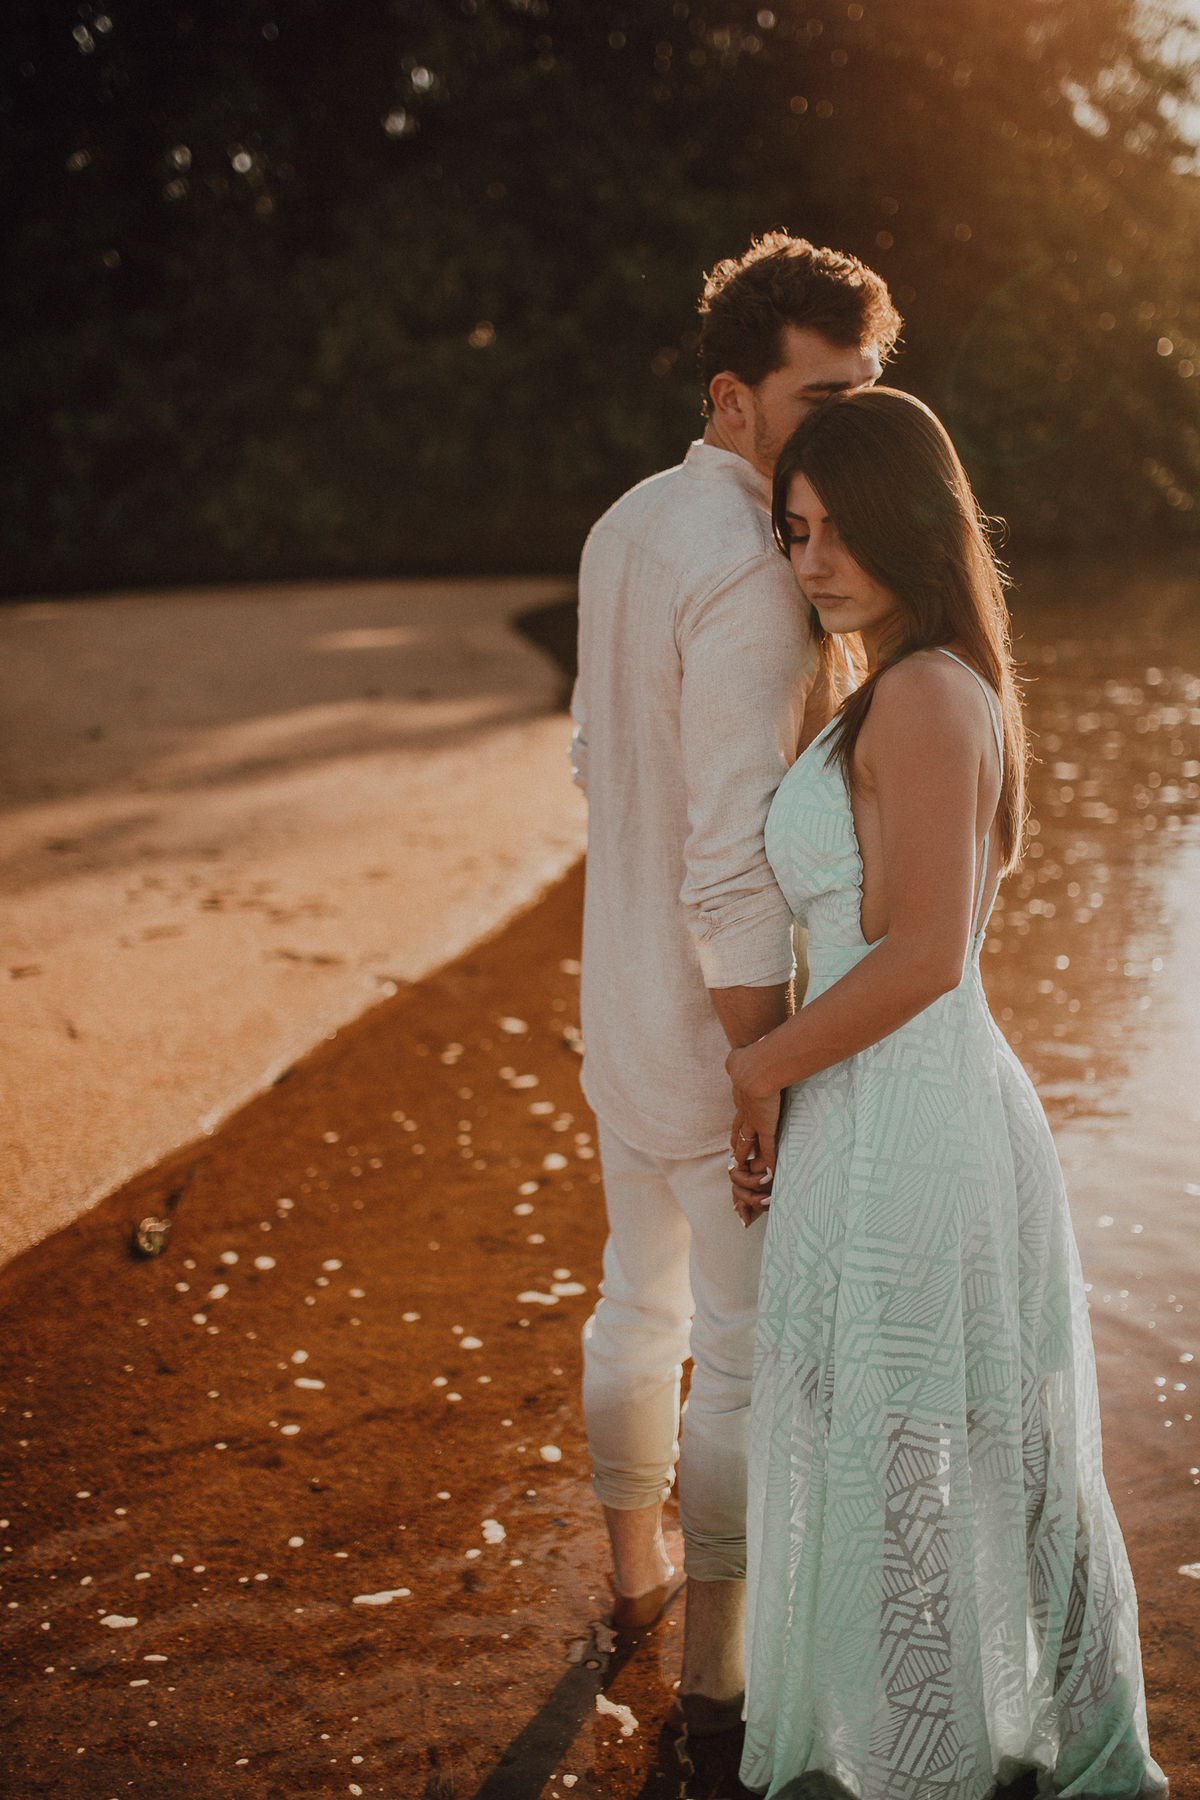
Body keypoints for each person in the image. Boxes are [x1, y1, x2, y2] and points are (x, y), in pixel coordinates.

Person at [727, 387, 1166, 1798]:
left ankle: (945, 1759)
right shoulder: (914, 681)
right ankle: (962, 1740)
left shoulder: (923, 692)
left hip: (912, 1121)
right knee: (931, 1452)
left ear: (915, 520)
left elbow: (921, 955)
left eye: (841, 528)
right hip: (882, 1111)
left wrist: (757, 1068)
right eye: (796, 531)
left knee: (920, 1453)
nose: (813, 560)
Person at [569, 235, 901, 1732]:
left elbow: (594, 761)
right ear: (733, 396)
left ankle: (631, 1582)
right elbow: (731, 852)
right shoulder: (761, 576)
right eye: (823, 397)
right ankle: (713, 1670)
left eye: (866, 393)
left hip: (617, 1005)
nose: (849, 423)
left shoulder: (623, 523)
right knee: (747, 1359)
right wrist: (757, 1067)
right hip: (715, 1026)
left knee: (632, 1302)